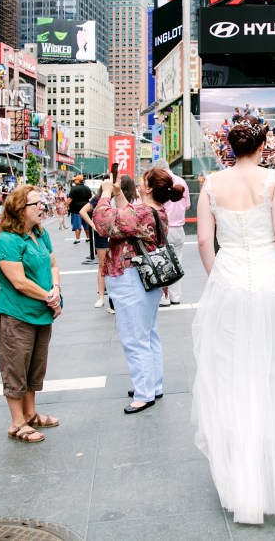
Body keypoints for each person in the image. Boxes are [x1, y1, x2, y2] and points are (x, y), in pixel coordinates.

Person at [193, 116, 275, 524]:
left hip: (229, 277)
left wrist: (218, 276)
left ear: (230, 147)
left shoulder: (211, 184)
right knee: (270, 370)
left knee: (232, 371)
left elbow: (204, 240)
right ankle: (264, 472)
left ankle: (238, 473)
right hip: (269, 279)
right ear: (263, 144)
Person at [94, 168, 184, 414]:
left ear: (149, 188)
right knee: (148, 334)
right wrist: (118, 192)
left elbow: (103, 223)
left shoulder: (141, 212)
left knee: (135, 337)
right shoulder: (154, 211)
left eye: (143, 182)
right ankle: (152, 385)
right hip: (148, 279)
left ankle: (144, 393)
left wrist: (104, 194)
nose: (140, 184)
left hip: (131, 277)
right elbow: (126, 214)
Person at [0, 185, 62, 444]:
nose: (42, 207)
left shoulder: (40, 234)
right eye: (36, 204)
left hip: (42, 312)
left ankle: (30, 413)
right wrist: (49, 297)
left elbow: (53, 265)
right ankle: (17, 422)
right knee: (15, 367)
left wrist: (56, 290)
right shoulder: (7, 240)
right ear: (21, 210)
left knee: (35, 366)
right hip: (17, 314)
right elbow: (19, 282)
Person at [155, 161, 191, 307]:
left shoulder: (160, 182)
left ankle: (165, 297)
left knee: (164, 262)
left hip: (164, 228)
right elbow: (187, 206)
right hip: (179, 229)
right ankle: (176, 296)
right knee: (177, 262)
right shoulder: (182, 181)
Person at [67, 176, 92, 246]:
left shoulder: (74, 188)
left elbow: (70, 199)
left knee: (77, 225)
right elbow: (90, 197)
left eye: (75, 180)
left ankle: (78, 239)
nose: (74, 181)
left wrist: (66, 206)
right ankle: (88, 237)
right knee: (86, 224)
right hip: (86, 209)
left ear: (78, 181)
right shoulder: (87, 188)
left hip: (76, 210)